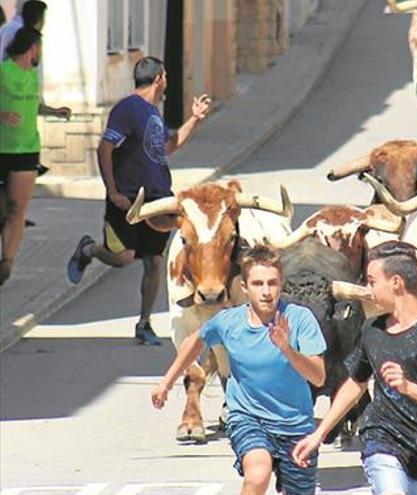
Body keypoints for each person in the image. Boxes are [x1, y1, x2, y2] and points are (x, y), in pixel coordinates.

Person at [293, 241, 417, 495]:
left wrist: (409, 388)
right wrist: (319, 433)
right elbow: (355, 383)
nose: (368, 289)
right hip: (382, 439)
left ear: (396, 282)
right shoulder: (372, 330)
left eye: (373, 281)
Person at [151, 245, 327, 495]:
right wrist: (166, 383)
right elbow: (195, 341)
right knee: (258, 474)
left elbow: (318, 376)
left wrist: (288, 349)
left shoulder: (299, 319)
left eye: (272, 283)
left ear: (281, 284)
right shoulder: (229, 322)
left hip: (295, 426)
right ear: (244, 288)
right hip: (249, 419)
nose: (266, 292)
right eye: (257, 284)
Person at [66, 56, 211, 345]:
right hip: (128, 198)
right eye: (166, 76)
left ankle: (143, 324)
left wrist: (195, 119)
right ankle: (89, 249)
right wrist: (113, 191)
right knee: (123, 257)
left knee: (154, 262)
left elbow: (169, 146)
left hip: (158, 199)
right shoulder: (128, 109)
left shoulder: (153, 113)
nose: (167, 82)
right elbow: (105, 148)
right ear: (159, 78)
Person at [0, 27, 69, 286]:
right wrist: (2, 115)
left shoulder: (32, 76)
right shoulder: (4, 71)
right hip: (1, 148)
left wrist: (54, 110)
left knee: (18, 208)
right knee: (4, 208)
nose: (39, 53)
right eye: (39, 47)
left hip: (27, 150)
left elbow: (33, 104)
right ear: (31, 47)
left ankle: (6, 263)